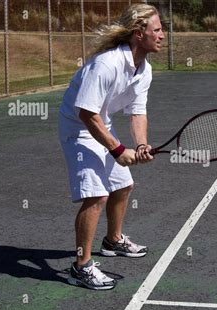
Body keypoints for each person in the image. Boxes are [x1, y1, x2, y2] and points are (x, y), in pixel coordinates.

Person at [58, 4, 164, 290]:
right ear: (139, 34)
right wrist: (118, 150)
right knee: (96, 196)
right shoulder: (106, 64)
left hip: (100, 123)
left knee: (123, 185)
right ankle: (81, 266)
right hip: (78, 127)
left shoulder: (145, 69)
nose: (162, 35)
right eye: (157, 30)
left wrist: (140, 144)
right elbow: (86, 114)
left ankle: (112, 241)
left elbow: (137, 112)